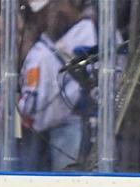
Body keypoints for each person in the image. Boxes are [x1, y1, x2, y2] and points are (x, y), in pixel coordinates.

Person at [18, 0, 96, 170]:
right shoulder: (44, 47)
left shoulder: (89, 32)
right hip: (58, 131)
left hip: (72, 128)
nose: (49, 15)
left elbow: (34, 114)